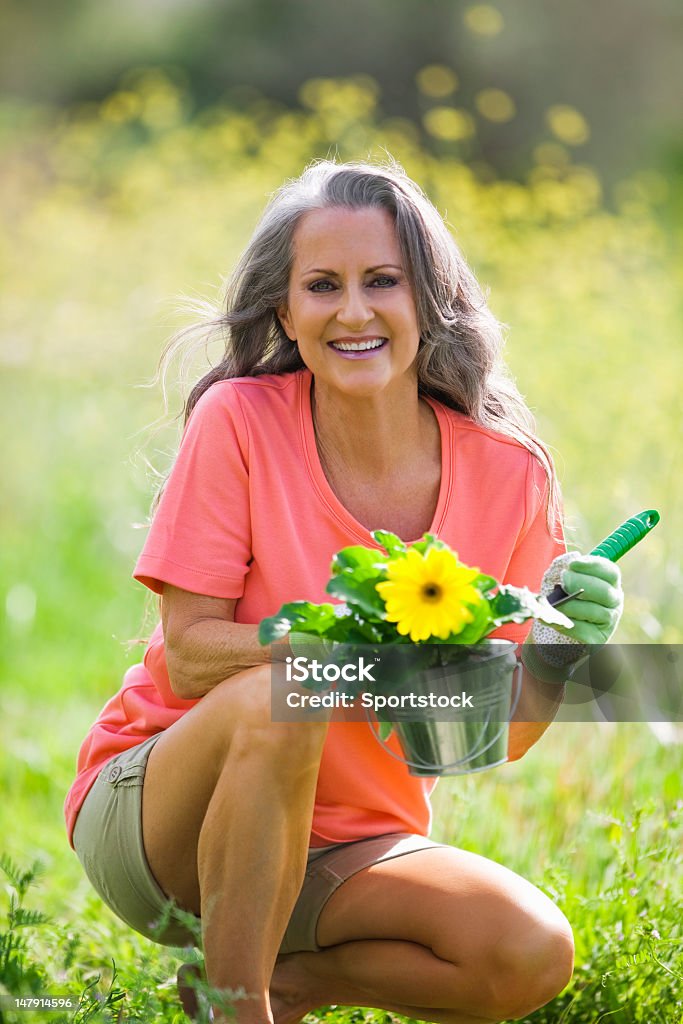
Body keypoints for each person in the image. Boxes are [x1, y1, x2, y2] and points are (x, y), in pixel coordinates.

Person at [65, 157, 623, 1024]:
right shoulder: (242, 419)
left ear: (429, 301)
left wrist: (559, 648)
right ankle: (235, 1006)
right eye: (322, 285)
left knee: (526, 951)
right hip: (161, 823)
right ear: (285, 312)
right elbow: (190, 655)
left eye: (382, 281)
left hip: (349, 844)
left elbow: (493, 736)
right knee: (285, 691)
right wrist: (330, 656)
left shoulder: (509, 475)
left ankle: (292, 984)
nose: (353, 311)